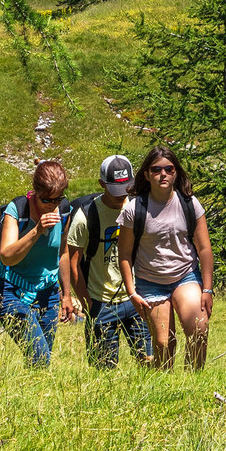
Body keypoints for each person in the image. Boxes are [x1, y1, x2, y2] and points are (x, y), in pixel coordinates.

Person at [118, 144, 214, 372]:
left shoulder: (190, 203)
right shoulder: (134, 209)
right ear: (146, 175)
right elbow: (123, 254)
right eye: (156, 169)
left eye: (169, 169)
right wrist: (131, 292)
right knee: (163, 344)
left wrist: (207, 289)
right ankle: (164, 384)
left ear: (176, 172)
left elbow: (204, 249)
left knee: (199, 329)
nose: (163, 174)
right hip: (150, 282)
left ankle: (194, 382)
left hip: (185, 276)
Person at [63, 153, 154, 370]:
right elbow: (72, 262)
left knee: (151, 363)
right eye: (115, 190)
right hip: (101, 304)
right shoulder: (86, 216)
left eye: (126, 188)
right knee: (104, 371)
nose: (122, 196)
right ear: (102, 184)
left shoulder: (137, 208)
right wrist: (86, 302)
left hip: (136, 299)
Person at [0, 158, 69, 367]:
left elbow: (63, 252)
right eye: (47, 200)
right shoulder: (17, 209)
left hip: (48, 292)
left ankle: (35, 395)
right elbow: (7, 256)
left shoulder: (64, 210)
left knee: (42, 360)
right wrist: (37, 231)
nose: (52, 205)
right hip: (11, 289)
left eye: (58, 199)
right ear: (35, 191)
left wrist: (67, 295)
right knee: (39, 357)